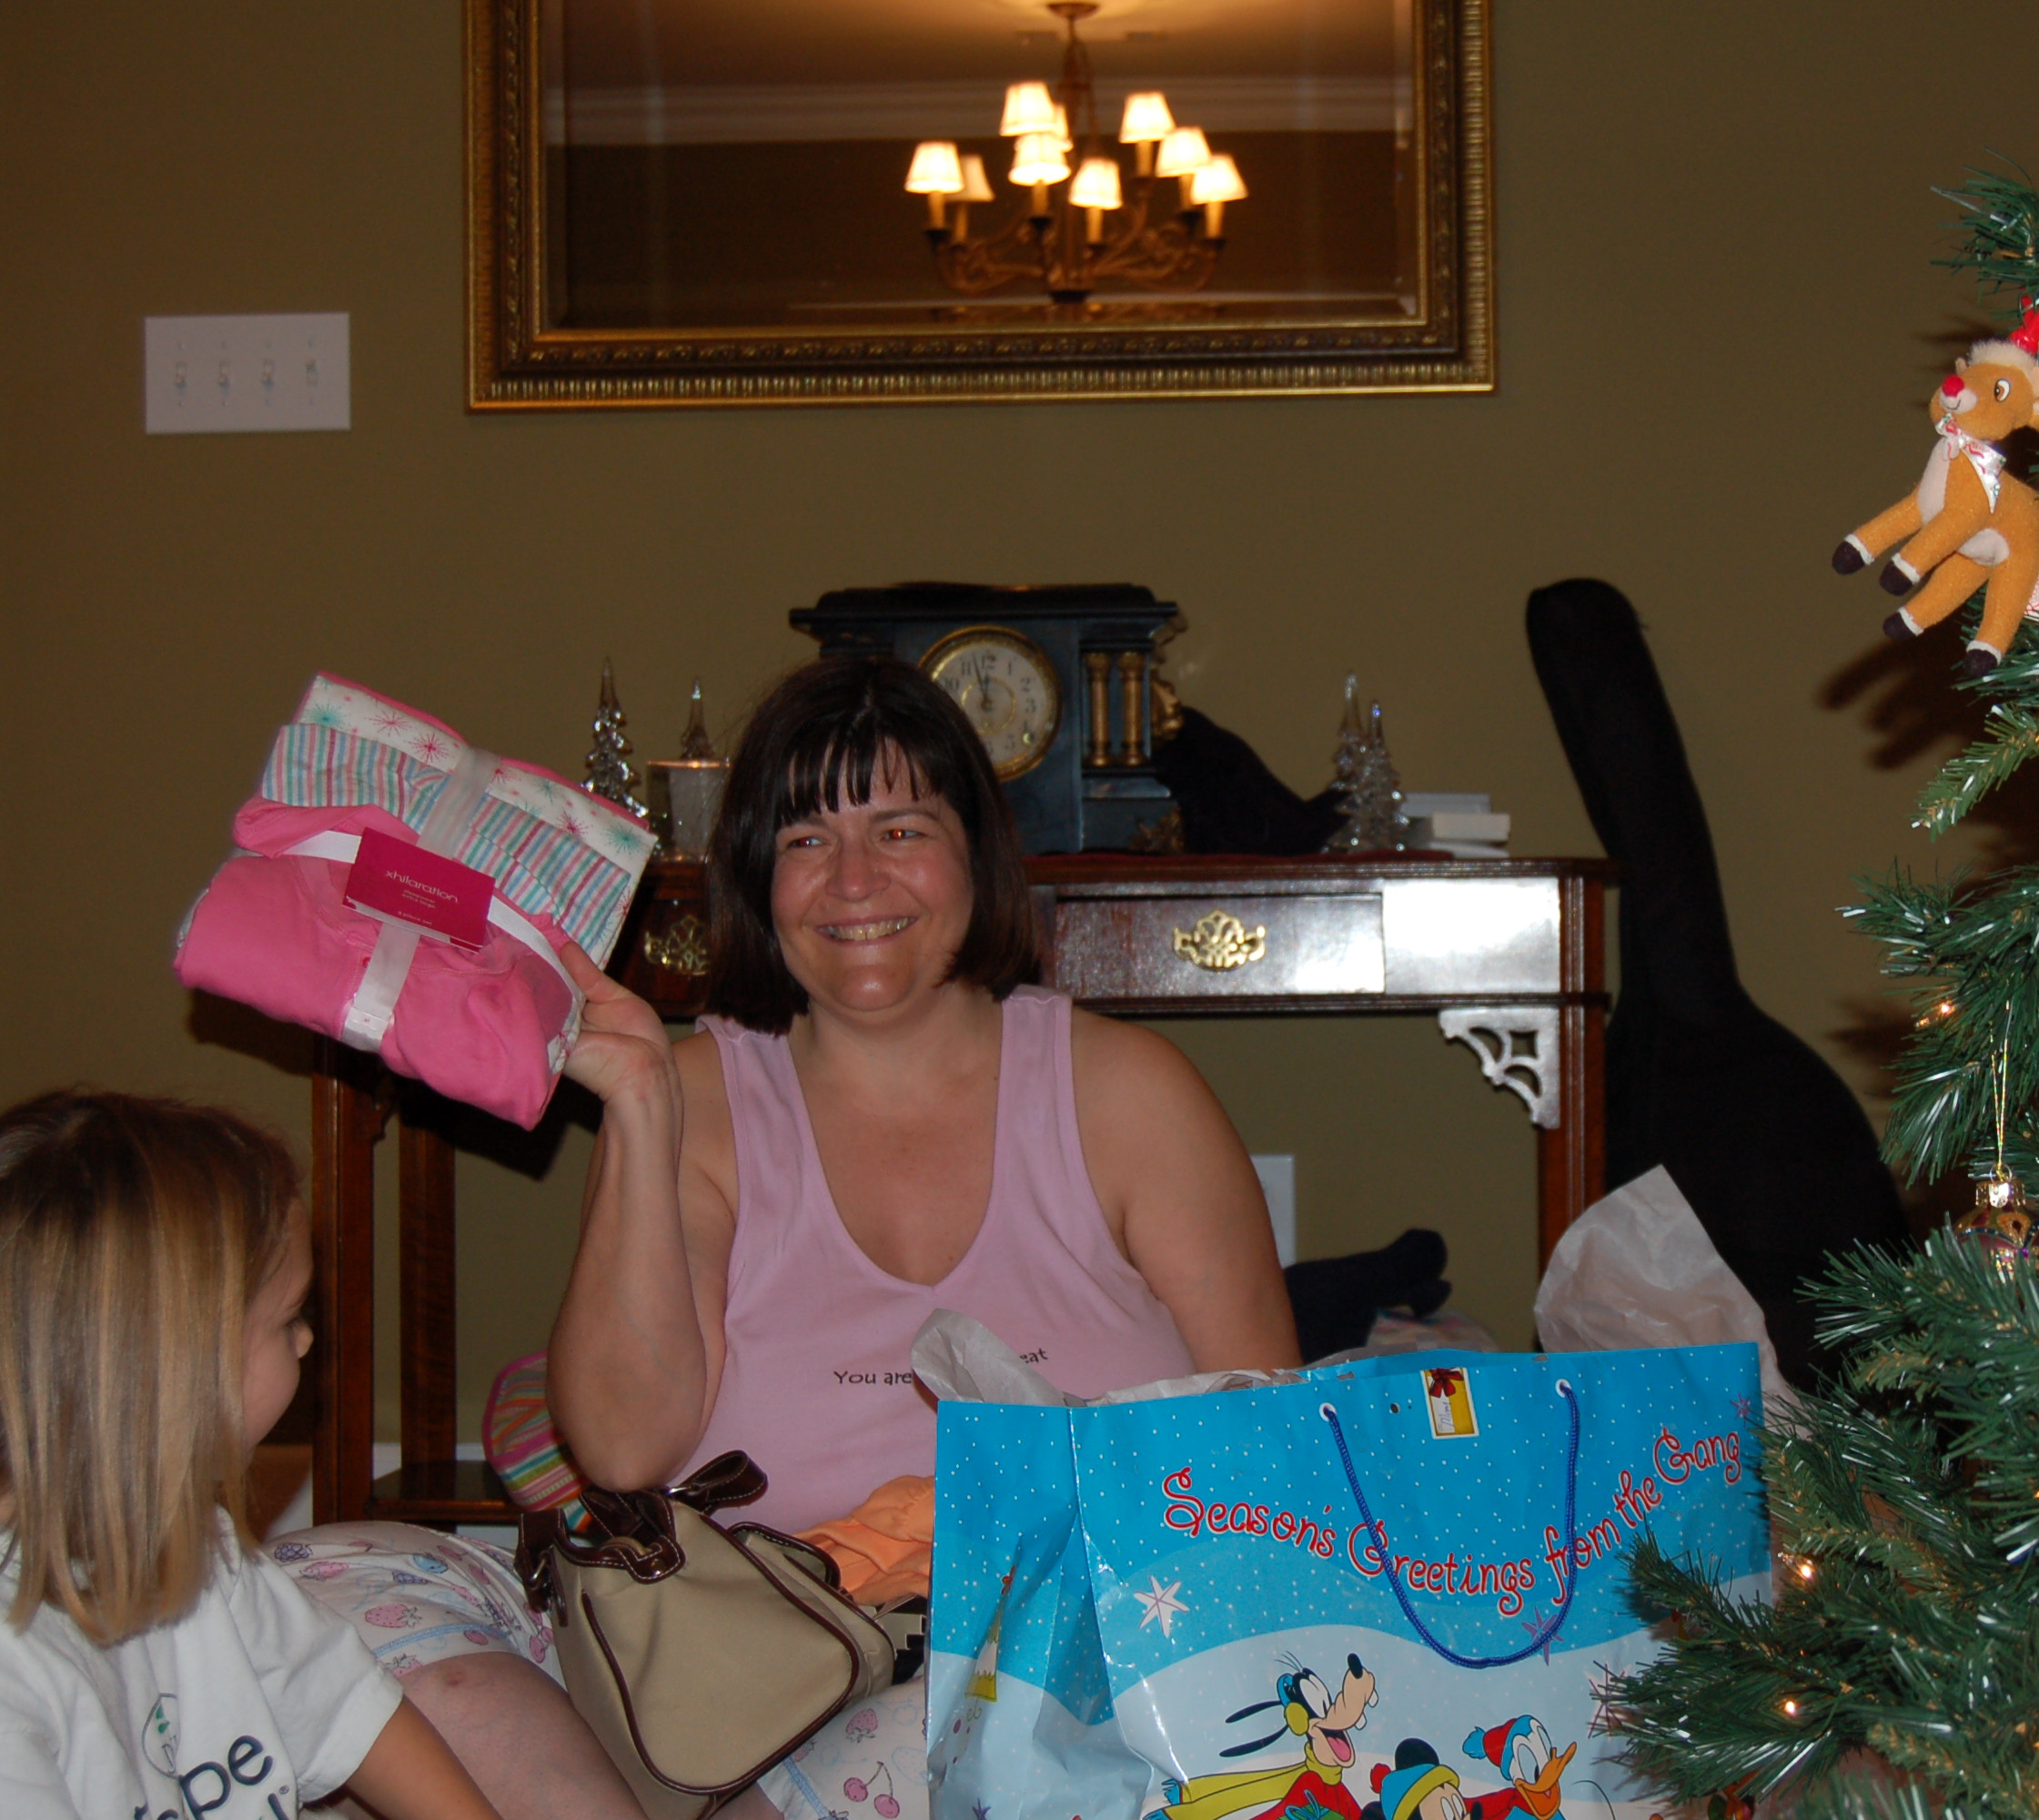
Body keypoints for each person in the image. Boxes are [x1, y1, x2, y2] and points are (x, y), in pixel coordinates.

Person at [277, 653, 1302, 1820]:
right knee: (311, 1585)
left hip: (1058, 1672)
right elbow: (620, 1447)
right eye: (806, 838)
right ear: (757, 878)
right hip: (737, 1671)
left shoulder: (1131, 1092)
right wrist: (640, 1101)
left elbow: (1274, 1470)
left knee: (970, 1704)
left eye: (900, 828)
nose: (854, 880)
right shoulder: (696, 1095)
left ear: (976, 854)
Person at [0, 1089, 501, 1820]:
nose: (307, 1339)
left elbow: (351, 1714)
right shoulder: (16, 1674)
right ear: (172, 1365)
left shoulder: (195, 1550)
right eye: (288, 1317)